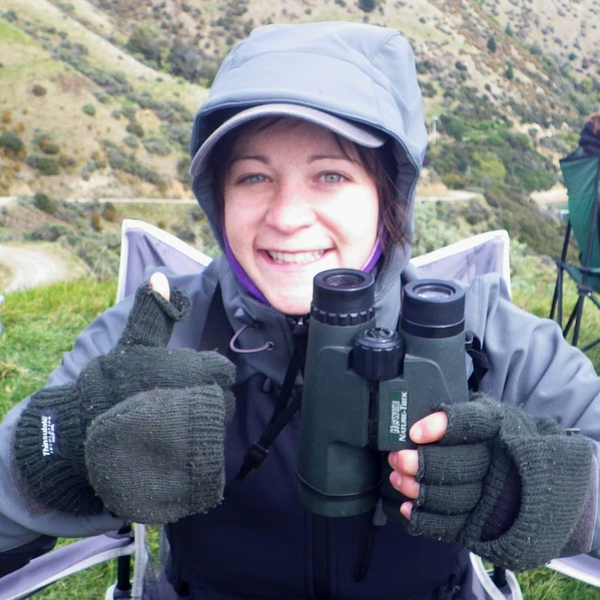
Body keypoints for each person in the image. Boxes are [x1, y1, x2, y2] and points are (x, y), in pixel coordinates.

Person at [2, 21, 600, 600]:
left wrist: (550, 493)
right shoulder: (155, 335)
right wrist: (60, 454)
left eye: (330, 175)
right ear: (219, 198)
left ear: (389, 196)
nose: (287, 217)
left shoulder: (484, 338)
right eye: (253, 177)